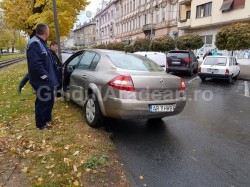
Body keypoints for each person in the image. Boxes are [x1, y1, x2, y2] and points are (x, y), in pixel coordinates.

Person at [27, 23, 58, 130]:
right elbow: (35, 64)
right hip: (41, 80)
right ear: (46, 32)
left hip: (47, 80)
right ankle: (40, 124)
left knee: (49, 100)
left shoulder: (42, 43)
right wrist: (45, 77)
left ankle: (47, 118)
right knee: (42, 101)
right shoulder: (35, 43)